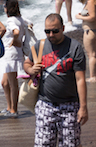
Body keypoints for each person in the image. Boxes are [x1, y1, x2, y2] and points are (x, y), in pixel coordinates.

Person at [24, 13, 88, 146]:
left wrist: (83, 107)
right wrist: (31, 70)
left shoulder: (74, 47)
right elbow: (27, 63)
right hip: (45, 104)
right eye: (47, 31)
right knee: (43, 144)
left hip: (70, 105)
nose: (51, 34)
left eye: (55, 31)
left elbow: (80, 79)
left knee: (70, 144)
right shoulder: (39, 45)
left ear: (63, 28)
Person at [0, 0, 29, 117]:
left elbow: (16, 32)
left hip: (12, 53)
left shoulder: (11, 20)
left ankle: (13, 110)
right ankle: (9, 107)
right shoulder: (20, 19)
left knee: (12, 83)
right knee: (4, 82)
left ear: (7, 9)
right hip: (16, 53)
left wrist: (14, 41)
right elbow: (29, 25)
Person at [74, 0, 96, 82]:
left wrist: (79, 17)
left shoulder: (90, 1)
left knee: (91, 55)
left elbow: (92, 17)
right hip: (95, 30)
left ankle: (93, 77)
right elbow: (95, 14)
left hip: (89, 31)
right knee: (94, 54)